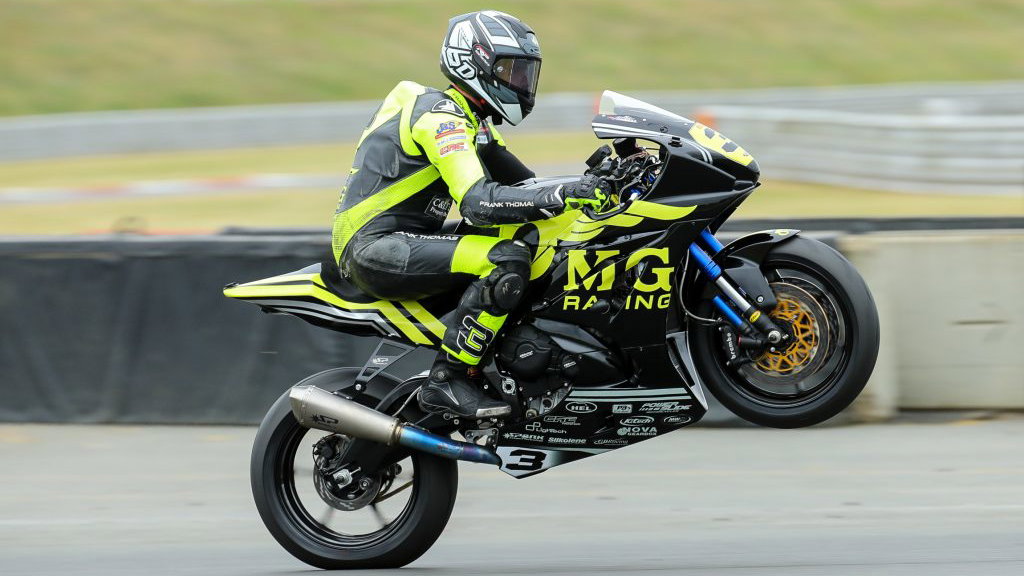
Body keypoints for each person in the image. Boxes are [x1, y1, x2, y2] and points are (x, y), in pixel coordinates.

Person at [326, 10, 611, 419]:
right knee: (506, 260)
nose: (521, 83)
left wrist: (602, 181)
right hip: (375, 248)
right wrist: (567, 193)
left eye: (525, 73)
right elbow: (478, 201)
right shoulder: (440, 117)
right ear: (471, 62)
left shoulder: (472, 123)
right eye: (510, 70)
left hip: (407, 240)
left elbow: (526, 187)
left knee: (533, 234)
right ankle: (448, 378)